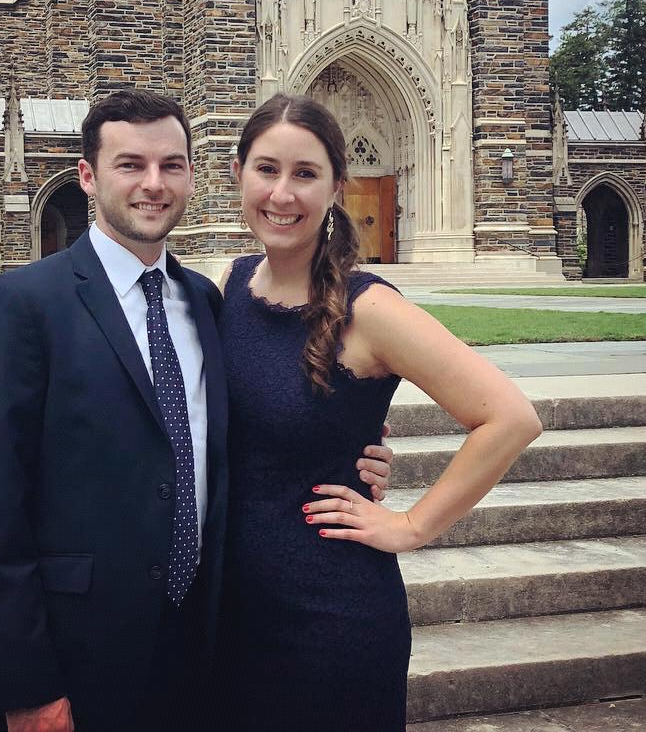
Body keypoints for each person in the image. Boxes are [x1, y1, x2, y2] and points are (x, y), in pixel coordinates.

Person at [0, 89, 392, 732]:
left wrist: (354, 445)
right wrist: (29, 687)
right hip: (74, 660)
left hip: (199, 652)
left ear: (193, 174)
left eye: (172, 165)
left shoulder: (204, 301)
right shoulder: (23, 304)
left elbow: (253, 420)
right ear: (88, 176)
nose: (153, 184)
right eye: (130, 164)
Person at [215, 93, 544, 732]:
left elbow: (509, 417)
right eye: (266, 169)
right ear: (238, 173)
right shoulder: (228, 285)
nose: (282, 193)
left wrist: (411, 526)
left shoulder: (369, 310)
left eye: (305, 174)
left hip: (331, 617)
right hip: (229, 611)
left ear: (337, 186)